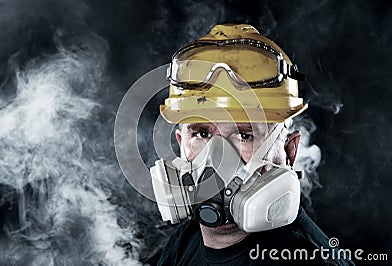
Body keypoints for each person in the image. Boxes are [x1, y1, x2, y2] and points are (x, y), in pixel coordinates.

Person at [151, 24, 354, 265]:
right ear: (180, 142)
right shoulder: (186, 241)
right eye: (202, 134)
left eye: (244, 135)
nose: (217, 157)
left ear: (290, 151)